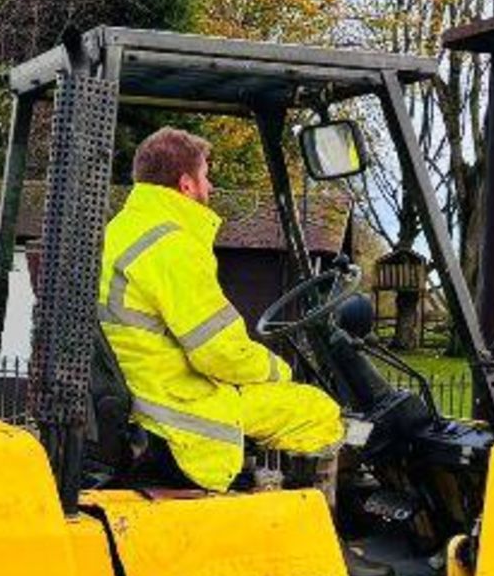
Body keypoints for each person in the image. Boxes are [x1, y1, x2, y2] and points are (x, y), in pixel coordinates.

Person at [98, 126, 345, 493]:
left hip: (143, 397)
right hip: (178, 415)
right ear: (186, 185)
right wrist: (278, 370)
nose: (210, 187)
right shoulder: (172, 246)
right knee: (319, 410)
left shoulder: (121, 231)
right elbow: (219, 353)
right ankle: (324, 527)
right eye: (205, 177)